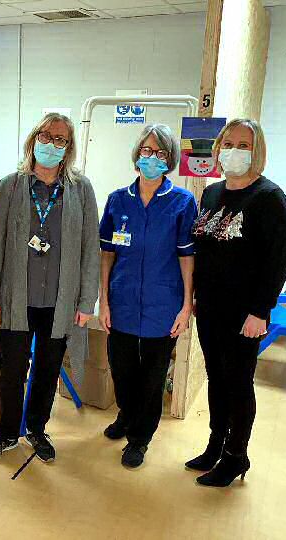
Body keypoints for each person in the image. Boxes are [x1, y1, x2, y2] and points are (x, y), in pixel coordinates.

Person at [0, 113, 100, 464]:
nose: (52, 144)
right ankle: (6, 434)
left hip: (60, 301)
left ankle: (37, 429)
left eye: (60, 139)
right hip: (17, 298)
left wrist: (86, 299)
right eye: (46, 136)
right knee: (14, 368)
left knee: (48, 368)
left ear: (69, 148)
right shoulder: (10, 186)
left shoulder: (82, 190)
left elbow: (90, 247)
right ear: (33, 139)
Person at [186, 118, 286, 487]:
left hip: (245, 314)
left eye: (244, 145)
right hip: (211, 308)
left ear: (257, 151)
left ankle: (236, 455)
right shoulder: (212, 194)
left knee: (238, 382)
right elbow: (204, 249)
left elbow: (277, 262)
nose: (234, 151)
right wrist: (197, 294)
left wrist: (260, 312)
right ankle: (215, 444)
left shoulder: (269, 199)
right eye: (228, 143)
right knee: (217, 378)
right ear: (217, 149)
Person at [98, 124, 197, 468]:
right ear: (137, 154)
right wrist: (104, 300)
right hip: (122, 301)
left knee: (152, 377)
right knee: (122, 369)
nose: (152, 158)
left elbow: (187, 256)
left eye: (160, 153)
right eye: (146, 151)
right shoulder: (117, 200)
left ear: (169, 159)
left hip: (163, 304)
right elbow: (107, 253)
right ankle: (126, 416)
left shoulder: (182, 202)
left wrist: (187, 304)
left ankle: (140, 438)